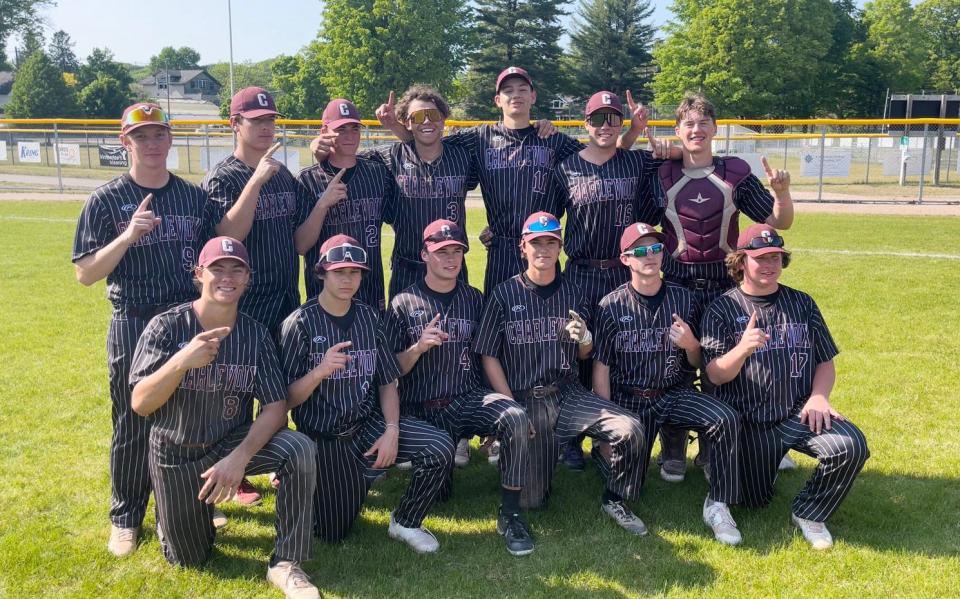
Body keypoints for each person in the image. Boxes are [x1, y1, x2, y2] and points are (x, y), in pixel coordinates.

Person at [129, 236, 320, 598]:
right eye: (218, 268)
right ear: (199, 274)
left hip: (228, 443)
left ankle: (286, 562)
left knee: (298, 447)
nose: (227, 277)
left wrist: (240, 458)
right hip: (177, 450)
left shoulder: (255, 334)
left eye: (237, 269)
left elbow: (276, 405)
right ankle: (173, 515)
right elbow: (140, 403)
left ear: (248, 278)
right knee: (189, 559)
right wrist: (181, 361)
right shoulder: (166, 327)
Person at [72, 102, 212, 556]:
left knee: (187, 418)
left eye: (159, 134)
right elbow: (87, 273)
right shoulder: (106, 199)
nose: (152, 144)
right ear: (125, 142)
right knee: (133, 419)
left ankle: (184, 507)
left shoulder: (193, 197)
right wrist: (129, 236)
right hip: (133, 319)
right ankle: (126, 516)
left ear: (170, 140)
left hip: (182, 320)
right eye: (142, 135)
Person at [373, 67, 648, 295]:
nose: (515, 95)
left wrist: (635, 131)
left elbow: (603, 152)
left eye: (522, 89)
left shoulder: (551, 139)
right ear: (497, 100)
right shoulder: (479, 138)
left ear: (533, 96)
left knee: (545, 326)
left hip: (543, 245)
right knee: (499, 329)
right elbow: (428, 140)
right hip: (502, 249)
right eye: (508, 90)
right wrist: (396, 126)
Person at [473, 212, 648, 535]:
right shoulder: (503, 294)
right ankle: (524, 456)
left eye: (551, 242)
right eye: (536, 242)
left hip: (568, 394)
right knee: (531, 502)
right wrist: (509, 409)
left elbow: (584, 353)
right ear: (522, 247)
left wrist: (586, 338)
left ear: (560, 247)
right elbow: (488, 353)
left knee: (631, 429)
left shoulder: (573, 292)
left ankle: (614, 497)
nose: (543, 249)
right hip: (527, 399)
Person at [278, 234, 455, 553]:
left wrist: (392, 429)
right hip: (325, 436)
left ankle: (406, 521)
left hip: (367, 424)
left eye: (354, 272)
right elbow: (286, 400)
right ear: (321, 273)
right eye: (339, 272)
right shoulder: (299, 323)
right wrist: (319, 372)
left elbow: (388, 379)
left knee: (439, 446)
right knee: (332, 530)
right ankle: (330, 481)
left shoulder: (369, 317)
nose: (348, 279)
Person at [700, 224, 869, 550]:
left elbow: (824, 360)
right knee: (754, 499)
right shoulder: (722, 308)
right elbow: (714, 375)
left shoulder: (801, 303)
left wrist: (820, 396)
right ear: (741, 262)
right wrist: (743, 349)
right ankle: (729, 489)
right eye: (760, 257)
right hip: (749, 421)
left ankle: (810, 513)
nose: (769, 264)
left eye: (776, 257)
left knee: (852, 446)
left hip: (797, 413)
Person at [654, 94, 796, 483]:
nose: (696, 131)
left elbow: (779, 223)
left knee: (727, 365)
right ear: (678, 131)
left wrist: (781, 192)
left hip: (723, 284)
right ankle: (674, 447)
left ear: (715, 128)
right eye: (688, 125)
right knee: (677, 367)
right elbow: (639, 225)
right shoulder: (662, 173)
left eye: (703, 123)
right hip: (679, 283)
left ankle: (718, 445)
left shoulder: (733, 172)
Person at [385, 219, 534, 556]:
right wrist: (417, 347)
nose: (451, 259)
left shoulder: (473, 298)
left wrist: (495, 415)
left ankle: (510, 514)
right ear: (425, 254)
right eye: (441, 252)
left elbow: (484, 357)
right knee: (442, 491)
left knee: (515, 417)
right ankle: (406, 516)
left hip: (466, 400)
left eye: (457, 252)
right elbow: (389, 370)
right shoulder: (403, 302)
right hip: (422, 408)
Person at [592, 222, 743, 545]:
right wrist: (604, 426)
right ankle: (613, 497)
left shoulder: (683, 299)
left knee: (725, 417)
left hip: (674, 393)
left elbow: (695, 362)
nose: (651, 256)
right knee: (629, 486)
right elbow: (601, 367)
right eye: (641, 251)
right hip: (631, 398)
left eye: (656, 249)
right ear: (626, 260)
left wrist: (691, 344)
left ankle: (718, 502)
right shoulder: (611, 305)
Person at [201, 86, 312, 505]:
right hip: (243, 298)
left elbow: (300, 240)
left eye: (271, 120)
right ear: (236, 124)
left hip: (284, 293)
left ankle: (281, 462)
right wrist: (256, 180)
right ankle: (237, 471)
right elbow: (229, 234)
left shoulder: (283, 174)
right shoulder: (224, 175)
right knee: (236, 388)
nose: (267, 127)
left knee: (279, 383)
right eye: (257, 120)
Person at [551, 90, 672, 470]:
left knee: (618, 356)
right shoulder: (566, 167)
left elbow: (671, 170)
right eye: (597, 119)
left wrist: (653, 138)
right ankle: (571, 436)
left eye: (613, 119)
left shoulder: (636, 163)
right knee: (574, 355)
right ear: (585, 123)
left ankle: (612, 435)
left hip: (625, 272)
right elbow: (547, 221)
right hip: (582, 271)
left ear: (621, 123)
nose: (605, 126)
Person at [311, 85, 479, 300]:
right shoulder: (387, 158)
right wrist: (319, 143)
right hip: (407, 268)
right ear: (407, 123)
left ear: (444, 118)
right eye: (417, 116)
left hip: (452, 264)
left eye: (434, 114)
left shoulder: (463, 154)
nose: (426, 121)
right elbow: (346, 155)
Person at [297, 99, 394, 310]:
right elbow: (301, 245)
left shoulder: (377, 173)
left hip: (370, 291)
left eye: (355, 128)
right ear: (324, 131)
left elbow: (401, 219)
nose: (350, 135)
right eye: (341, 129)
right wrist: (322, 205)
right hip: (323, 296)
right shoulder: (308, 179)